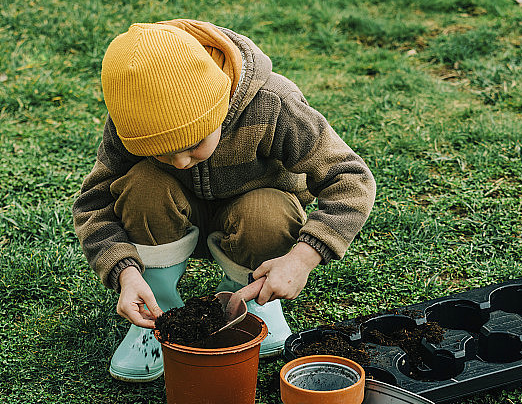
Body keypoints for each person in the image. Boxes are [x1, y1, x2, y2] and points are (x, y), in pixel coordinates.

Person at [72, 19, 376, 381]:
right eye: (164, 154)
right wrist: (125, 273)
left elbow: (352, 179)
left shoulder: (273, 105)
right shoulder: (135, 121)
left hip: (254, 223)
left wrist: (302, 258)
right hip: (169, 220)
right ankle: (156, 315)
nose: (182, 161)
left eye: (193, 143)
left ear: (221, 103)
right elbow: (94, 204)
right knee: (143, 185)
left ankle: (248, 301)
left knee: (268, 210)